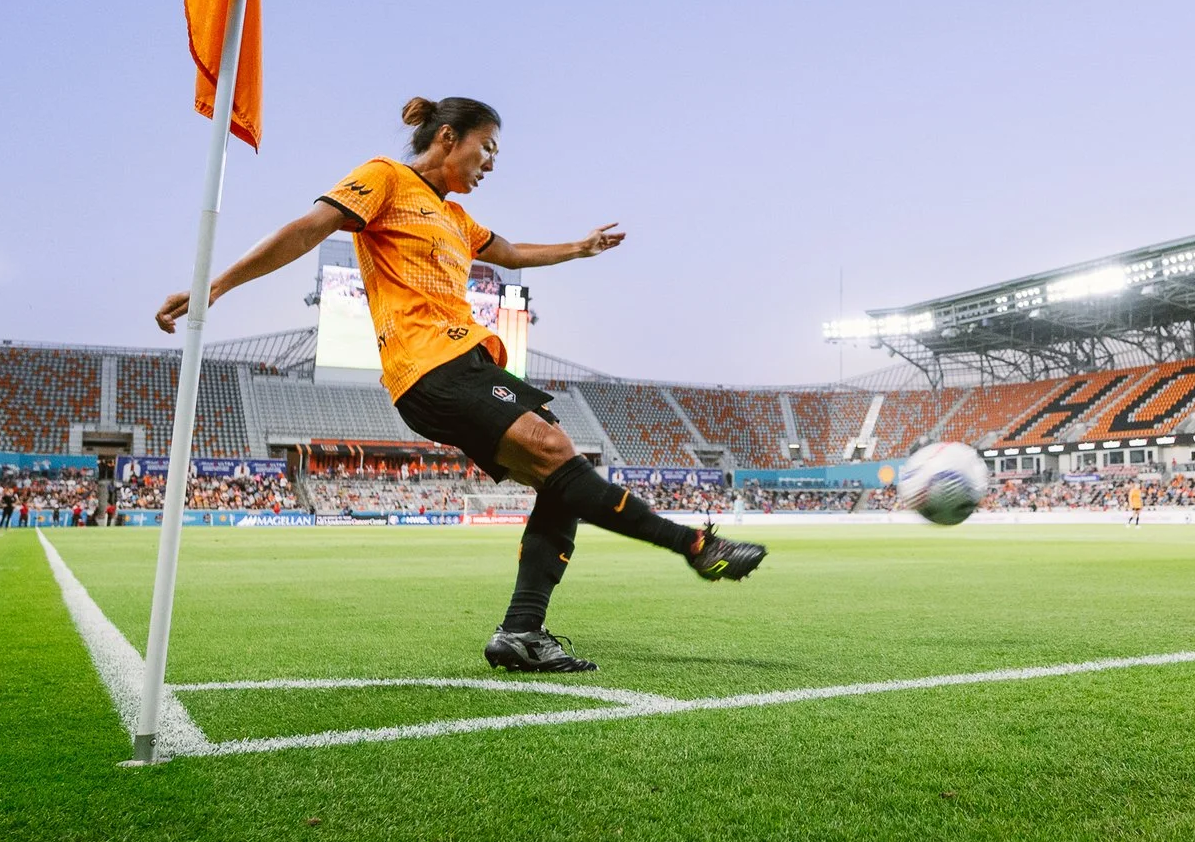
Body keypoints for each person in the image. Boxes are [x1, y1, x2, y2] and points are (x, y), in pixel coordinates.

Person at [157, 94, 765, 675]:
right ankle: (693, 546)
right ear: (449, 137)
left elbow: (513, 253)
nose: (492, 162)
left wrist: (579, 248)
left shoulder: (455, 216)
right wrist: (216, 283)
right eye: (487, 147)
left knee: (558, 478)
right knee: (558, 454)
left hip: (471, 363)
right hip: (430, 366)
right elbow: (308, 228)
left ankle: (524, 632)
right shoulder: (386, 178)